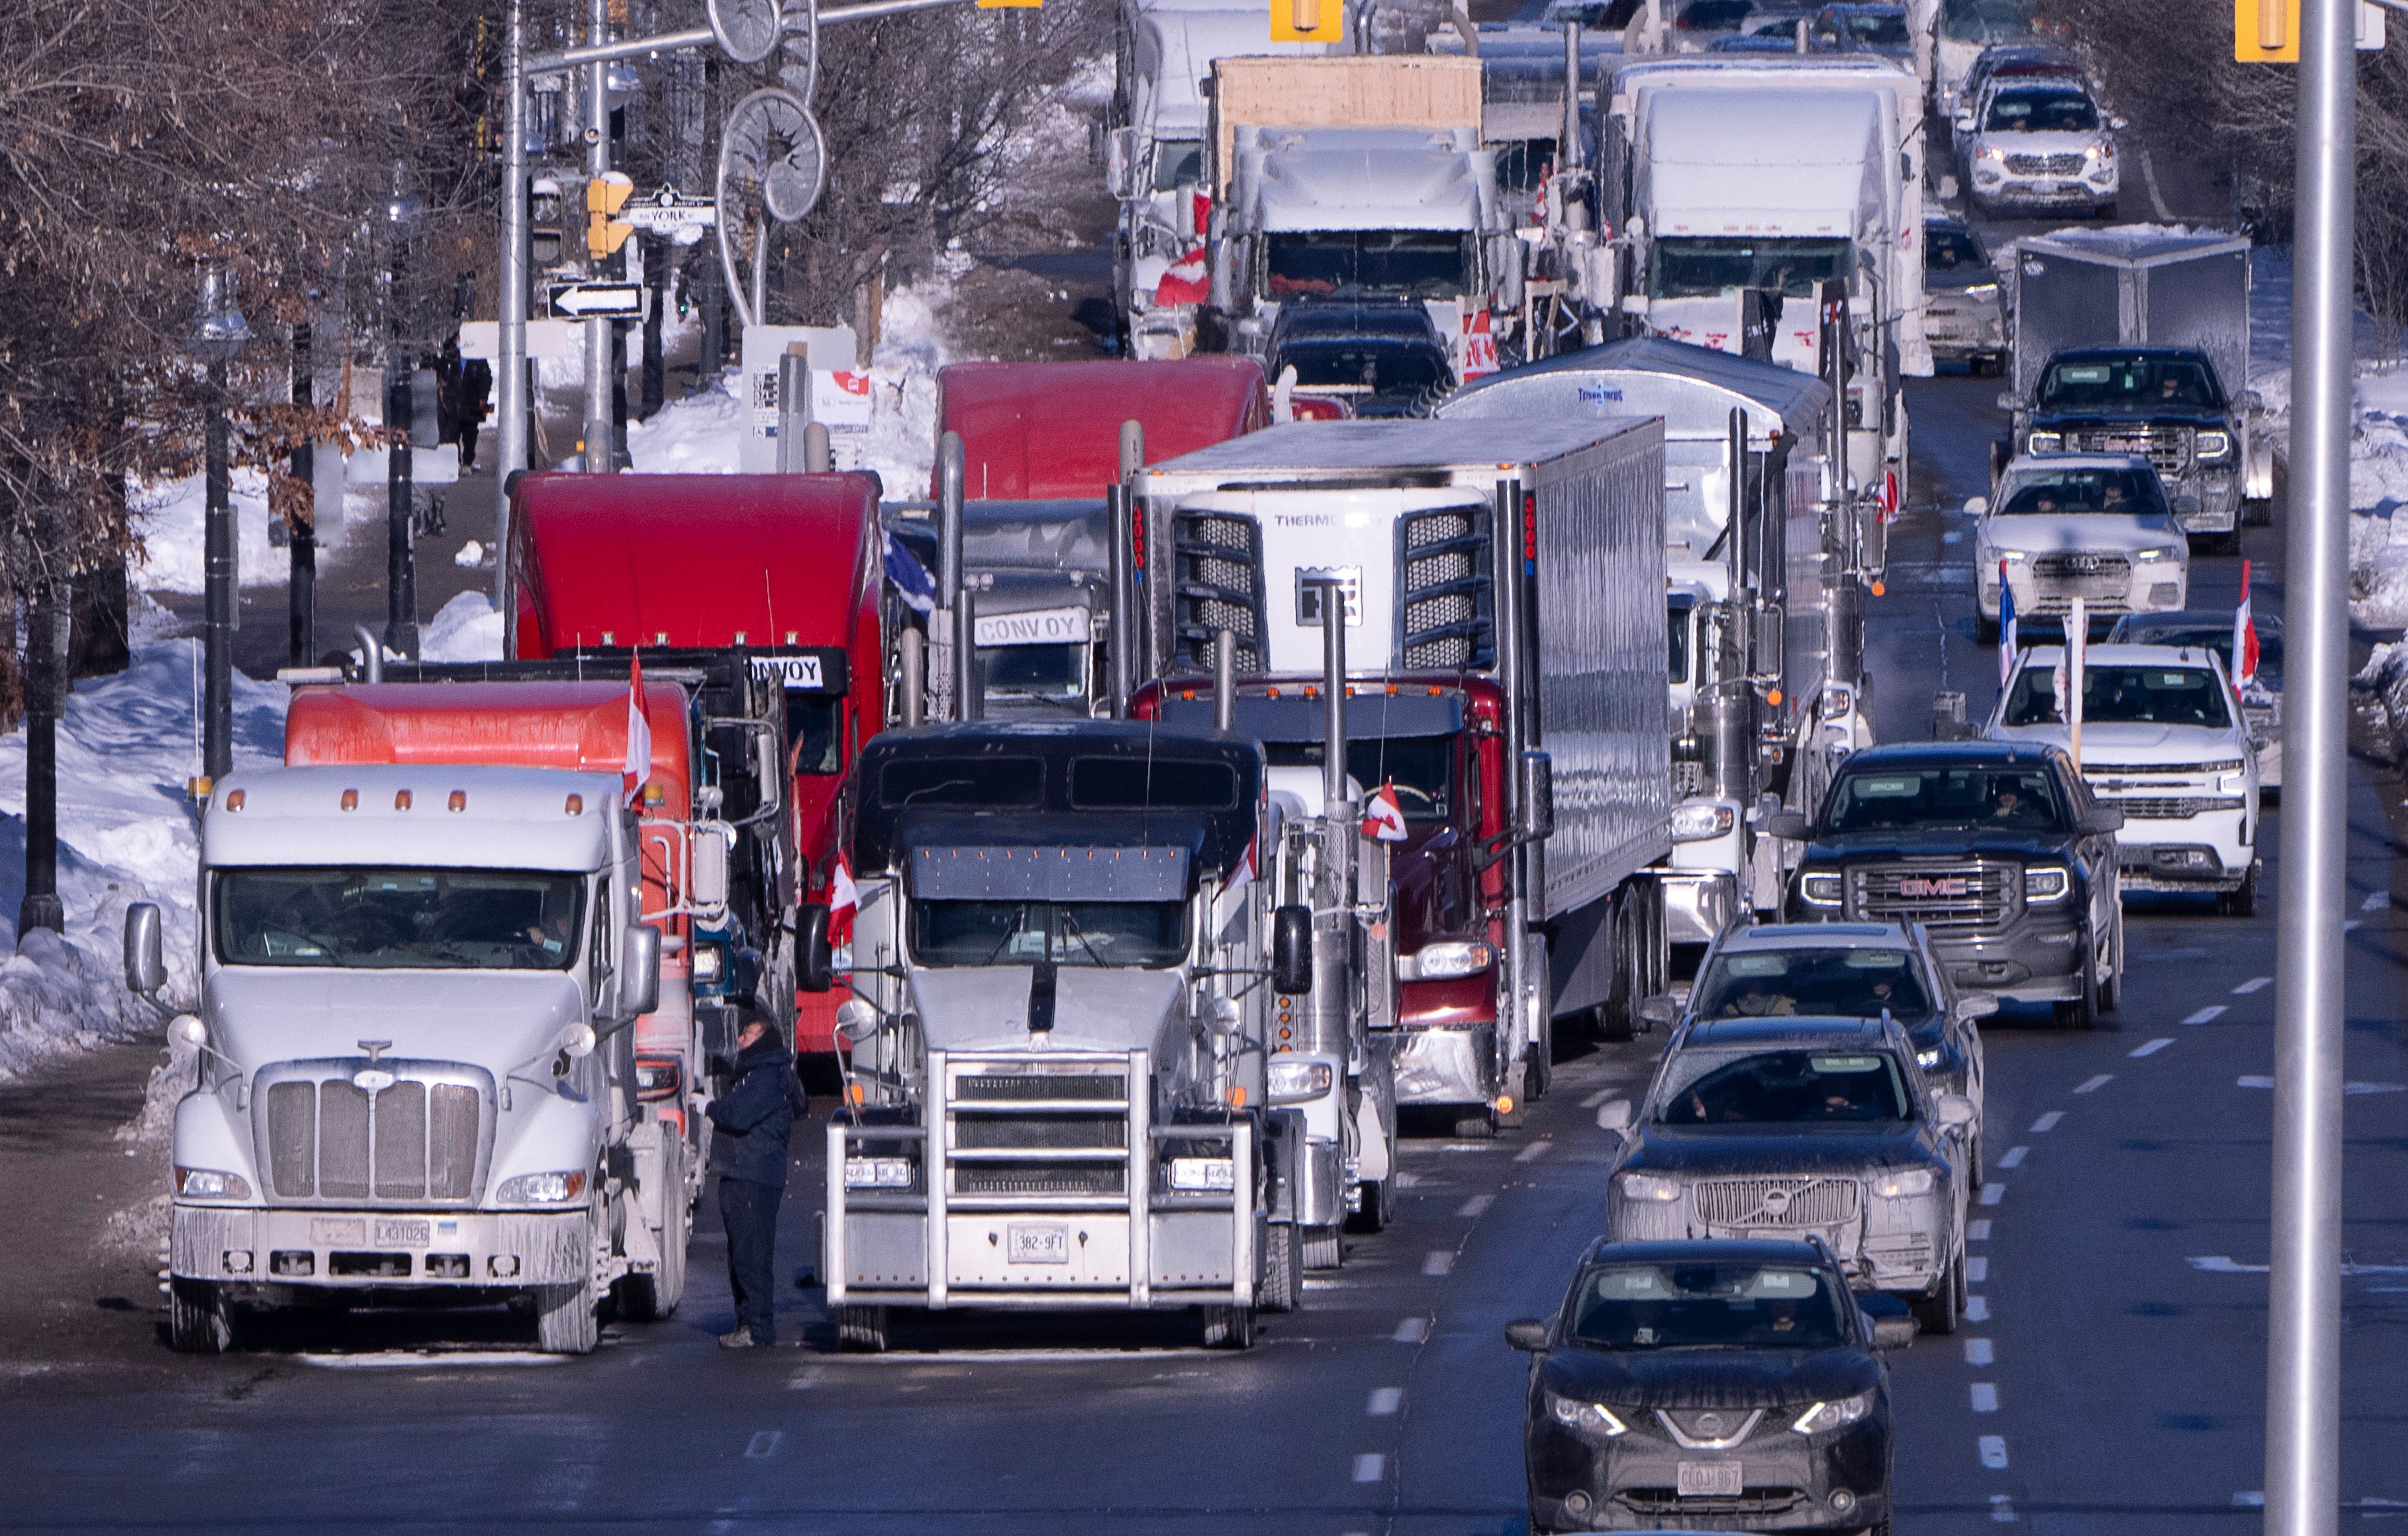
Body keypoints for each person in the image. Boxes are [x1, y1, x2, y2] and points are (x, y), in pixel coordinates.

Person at [706, 1018, 808, 1348]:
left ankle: (757, 1327)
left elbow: (736, 1115)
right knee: (744, 1255)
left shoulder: (765, 1077)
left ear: (764, 1040)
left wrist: (708, 1106)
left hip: (753, 1175)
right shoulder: (761, 1074)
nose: (740, 1039)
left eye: (747, 1034)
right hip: (747, 1174)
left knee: (752, 1256)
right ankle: (748, 1322)